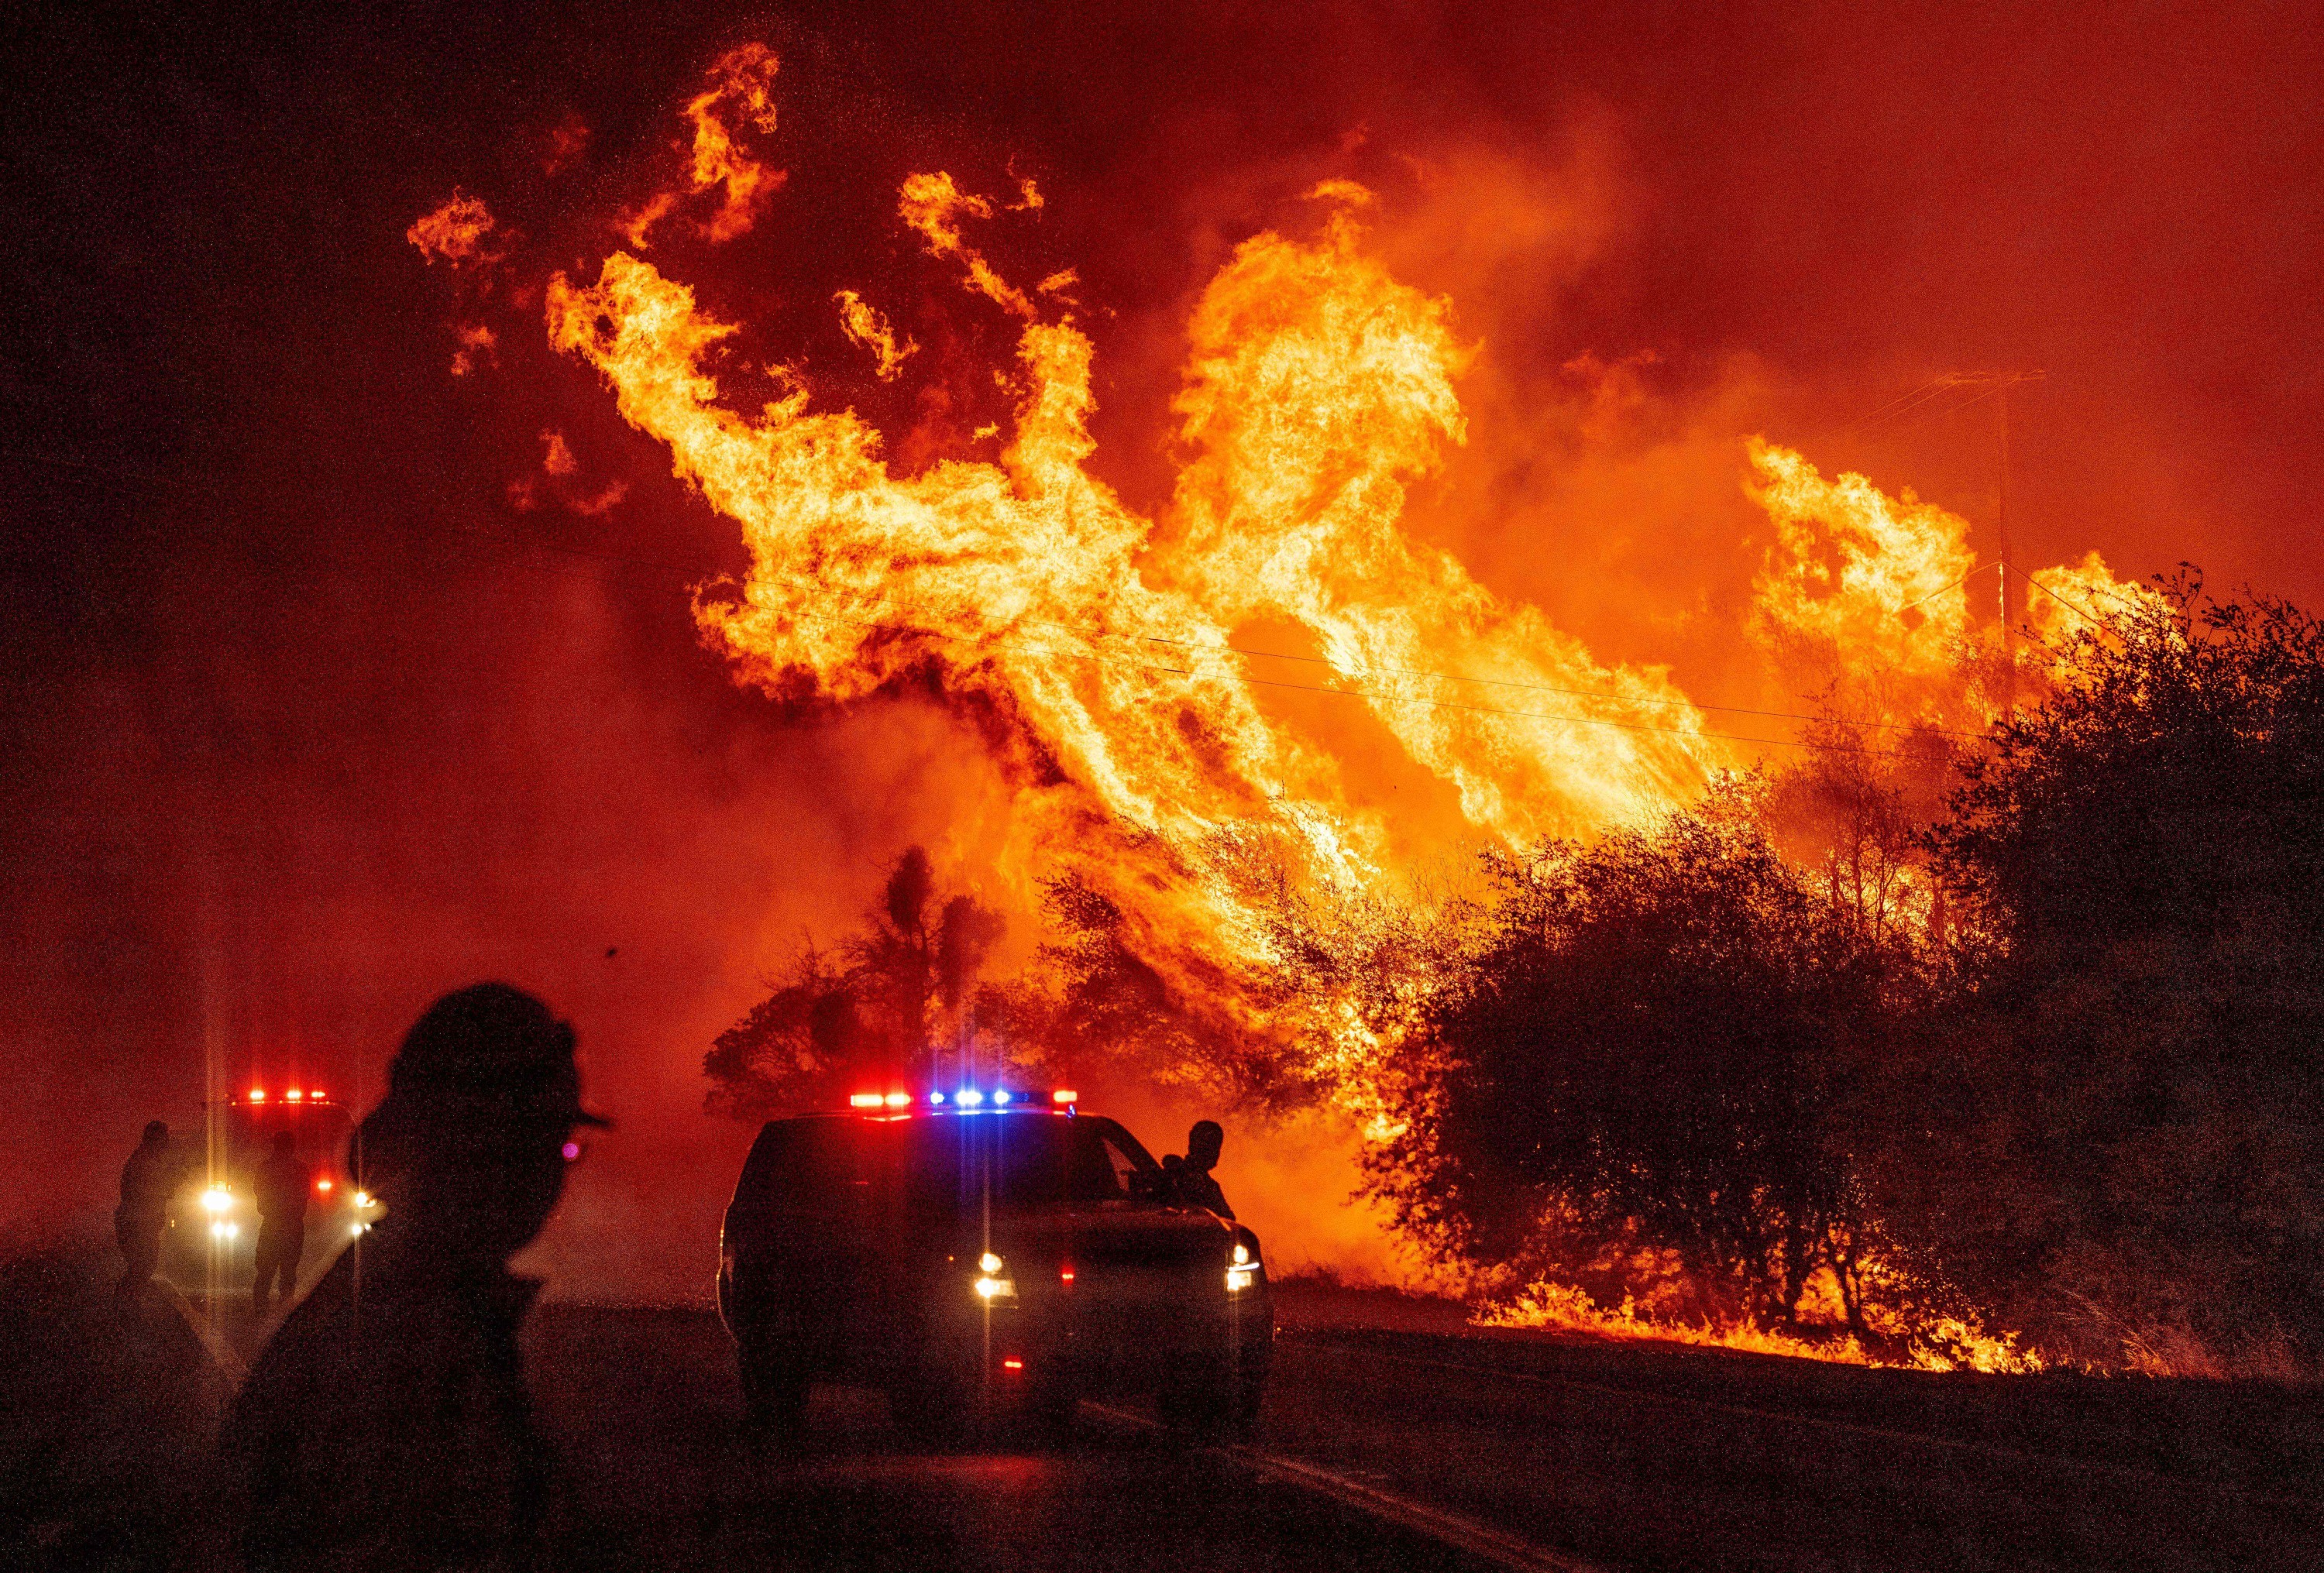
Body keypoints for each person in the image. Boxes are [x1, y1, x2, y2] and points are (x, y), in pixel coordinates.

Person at [221, 984, 608, 1571]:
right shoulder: (409, 1343)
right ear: (492, 1141)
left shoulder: (407, 1302)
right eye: (557, 1139)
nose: (560, 1166)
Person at [115, 1119, 177, 1303]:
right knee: (142, 1266)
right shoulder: (145, 1162)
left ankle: (126, 1306)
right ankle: (125, 1306)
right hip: (138, 1223)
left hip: (139, 1223)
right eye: (163, 1138)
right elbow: (144, 1192)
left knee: (142, 1266)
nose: (166, 1142)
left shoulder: (146, 1159)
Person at [250, 1130, 311, 1314]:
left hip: (272, 1223)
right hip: (292, 1224)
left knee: (266, 1268)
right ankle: (285, 1308)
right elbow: (305, 1195)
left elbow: (258, 1190)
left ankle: (261, 1308)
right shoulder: (300, 1168)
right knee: (288, 1269)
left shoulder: (265, 1167)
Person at [1161, 1120, 1234, 1218]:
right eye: (1210, 1146)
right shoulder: (1198, 1182)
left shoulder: (1208, 1184)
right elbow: (1227, 1219)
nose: (1215, 1153)